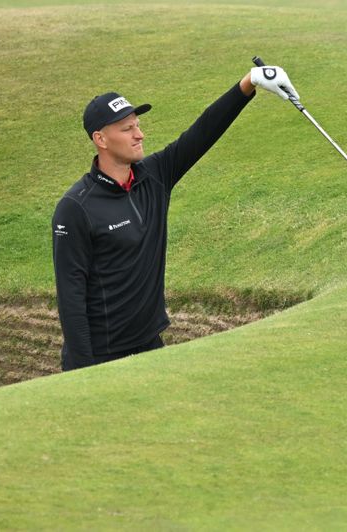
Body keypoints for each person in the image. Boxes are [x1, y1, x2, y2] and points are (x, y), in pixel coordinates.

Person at [52, 64, 298, 371]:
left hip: (151, 346)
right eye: (127, 129)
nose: (139, 134)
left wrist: (249, 83)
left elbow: (202, 133)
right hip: (102, 358)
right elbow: (70, 296)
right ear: (100, 139)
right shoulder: (76, 207)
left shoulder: (154, 177)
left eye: (137, 125)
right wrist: (82, 371)